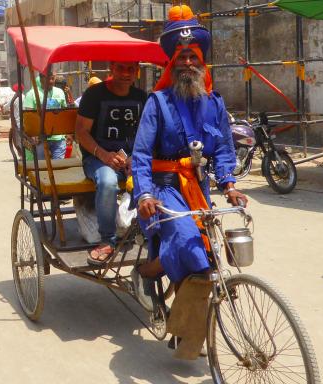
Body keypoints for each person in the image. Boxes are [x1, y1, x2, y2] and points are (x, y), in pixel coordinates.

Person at [130, 5, 248, 311]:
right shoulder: (157, 102)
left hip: (197, 187)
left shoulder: (214, 103)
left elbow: (223, 148)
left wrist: (230, 184)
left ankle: (186, 326)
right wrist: (143, 192)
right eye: (180, 57)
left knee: (208, 250)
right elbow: (140, 153)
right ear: (172, 63)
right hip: (162, 188)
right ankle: (145, 274)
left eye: (192, 56)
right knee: (188, 243)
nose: (187, 62)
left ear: (201, 62)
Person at [75, 62, 147, 264]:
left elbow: (146, 133)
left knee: (160, 178)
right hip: (97, 159)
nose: (126, 73)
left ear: (136, 71)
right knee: (107, 182)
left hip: (132, 161)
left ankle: (150, 233)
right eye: (121, 68)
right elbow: (81, 132)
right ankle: (107, 240)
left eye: (130, 69)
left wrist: (136, 157)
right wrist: (104, 155)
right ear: (111, 69)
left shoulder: (142, 97)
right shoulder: (94, 95)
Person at [24, 71, 68, 159]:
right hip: (40, 138)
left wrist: (68, 134)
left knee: (59, 168)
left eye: (53, 78)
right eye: (48, 78)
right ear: (41, 79)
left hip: (58, 138)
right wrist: (33, 134)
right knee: (42, 167)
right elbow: (28, 117)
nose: (51, 81)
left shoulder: (60, 92)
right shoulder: (31, 94)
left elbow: (64, 113)